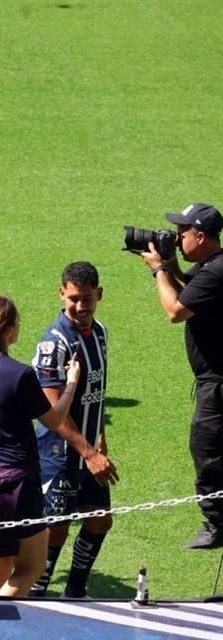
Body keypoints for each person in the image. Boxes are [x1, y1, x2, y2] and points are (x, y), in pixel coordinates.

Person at [0, 296, 117, 596]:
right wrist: (72, 383)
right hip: (15, 486)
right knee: (30, 569)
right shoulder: (19, 374)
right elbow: (54, 419)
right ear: (10, 330)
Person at [29, 262, 116, 598]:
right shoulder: (54, 344)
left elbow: (98, 393)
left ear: (100, 295)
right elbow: (52, 412)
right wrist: (89, 452)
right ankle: (37, 591)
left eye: (87, 299)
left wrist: (100, 442)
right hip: (60, 453)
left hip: (89, 451)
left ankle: (75, 590)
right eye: (74, 298)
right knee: (56, 527)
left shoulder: (101, 333)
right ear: (61, 293)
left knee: (99, 520)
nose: (80, 307)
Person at [140, 202, 223, 549]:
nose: (176, 239)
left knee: (206, 448)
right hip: (215, 381)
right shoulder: (212, 267)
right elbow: (189, 289)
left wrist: (159, 269)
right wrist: (170, 263)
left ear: (200, 236)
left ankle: (217, 524)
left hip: (217, 385)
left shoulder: (216, 271)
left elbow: (176, 309)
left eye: (181, 234)